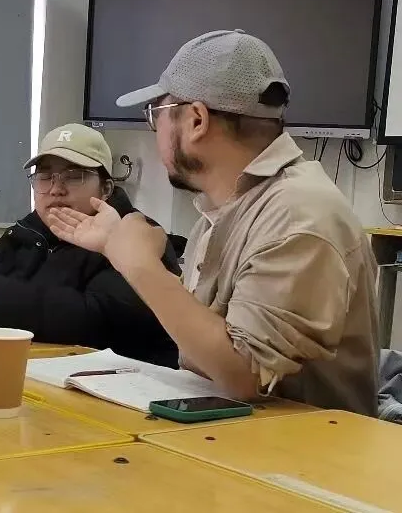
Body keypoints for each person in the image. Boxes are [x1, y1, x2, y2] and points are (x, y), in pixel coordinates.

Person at [49, 30, 379, 415]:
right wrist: (116, 245)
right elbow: (206, 343)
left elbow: (243, 375)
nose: (154, 131)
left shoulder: (300, 214)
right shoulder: (222, 210)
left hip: (300, 448)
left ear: (196, 120)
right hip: (224, 434)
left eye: (156, 114)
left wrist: (139, 265)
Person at [0, 123, 180, 366]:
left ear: (106, 189)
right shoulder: (30, 230)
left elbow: (101, 319)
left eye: (73, 176)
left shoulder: (136, 234)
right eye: (45, 176)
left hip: (124, 387)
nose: (55, 189)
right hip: (38, 373)